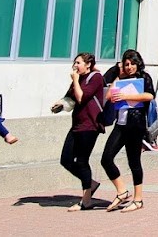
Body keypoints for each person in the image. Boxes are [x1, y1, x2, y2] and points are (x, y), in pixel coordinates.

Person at [100, 49, 155, 213]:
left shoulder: (144, 77)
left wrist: (126, 96)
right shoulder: (122, 79)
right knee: (106, 158)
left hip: (136, 124)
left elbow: (150, 96)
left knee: (134, 161)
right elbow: (108, 96)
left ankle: (138, 199)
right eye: (126, 64)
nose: (129, 67)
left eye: (132, 64)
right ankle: (122, 191)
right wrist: (118, 76)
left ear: (138, 63)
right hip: (121, 124)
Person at [62, 52, 107, 210]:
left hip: (90, 125)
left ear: (88, 65)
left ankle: (86, 200)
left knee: (82, 161)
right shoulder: (79, 79)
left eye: (78, 63)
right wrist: (59, 104)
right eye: (74, 63)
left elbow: (81, 97)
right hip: (77, 124)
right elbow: (71, 98)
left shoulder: (95, 78)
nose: (75, 66)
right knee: (66, 159)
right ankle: (91, 183)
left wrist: (75, 80)